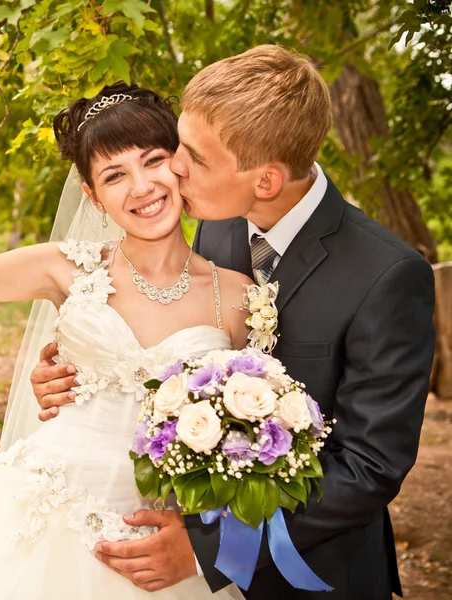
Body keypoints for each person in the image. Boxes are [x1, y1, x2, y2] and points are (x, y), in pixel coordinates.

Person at [30, 45, 436, 599]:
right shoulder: (218, 221)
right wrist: (83, 367)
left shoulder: (387, 276)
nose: (174, 167)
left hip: (314, 574)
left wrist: (210, 546)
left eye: (193, 157)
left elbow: (369, 467)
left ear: (265, 181)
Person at [0, 83, 251, 599]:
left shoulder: (238, 296)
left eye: (153, 161)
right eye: (114, 175)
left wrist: (207, 539)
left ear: (179, 162)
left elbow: (254, 437)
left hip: (165, 548)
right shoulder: (63, 267)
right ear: (92, 195)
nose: (141, 187)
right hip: (35, 518)